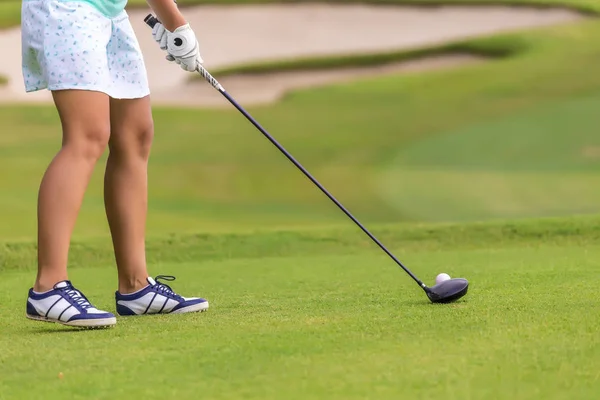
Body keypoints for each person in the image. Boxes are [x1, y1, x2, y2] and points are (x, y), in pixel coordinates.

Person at [21, 0, 208, 328]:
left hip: (107, 12)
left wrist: (175, 25)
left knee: (135, 134)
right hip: (67, 8)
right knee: (87, 134)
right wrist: (176, 23)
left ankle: (136, 287)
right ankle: (47, 287)